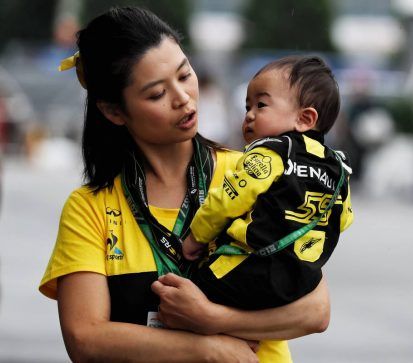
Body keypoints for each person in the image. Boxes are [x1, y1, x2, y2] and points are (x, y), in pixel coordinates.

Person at [38, 7, 330, 362]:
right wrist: (207, 349)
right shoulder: (91, 207)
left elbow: (315, 310)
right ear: (114, 111)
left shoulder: (256, 175)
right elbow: (85, 338)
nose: (184, 98)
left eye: (184, 74)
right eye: (157, 93)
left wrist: (212, 318)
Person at [182, 55, 353, 309]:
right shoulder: (337, 167)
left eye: (260, 105)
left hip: (248, 268)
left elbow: (228, 200)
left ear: (304, 119)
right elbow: (345, 219)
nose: (249, 115)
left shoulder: (272, 152)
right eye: (246, 107)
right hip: (299, 282)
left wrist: (196, 237)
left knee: (182, 297)